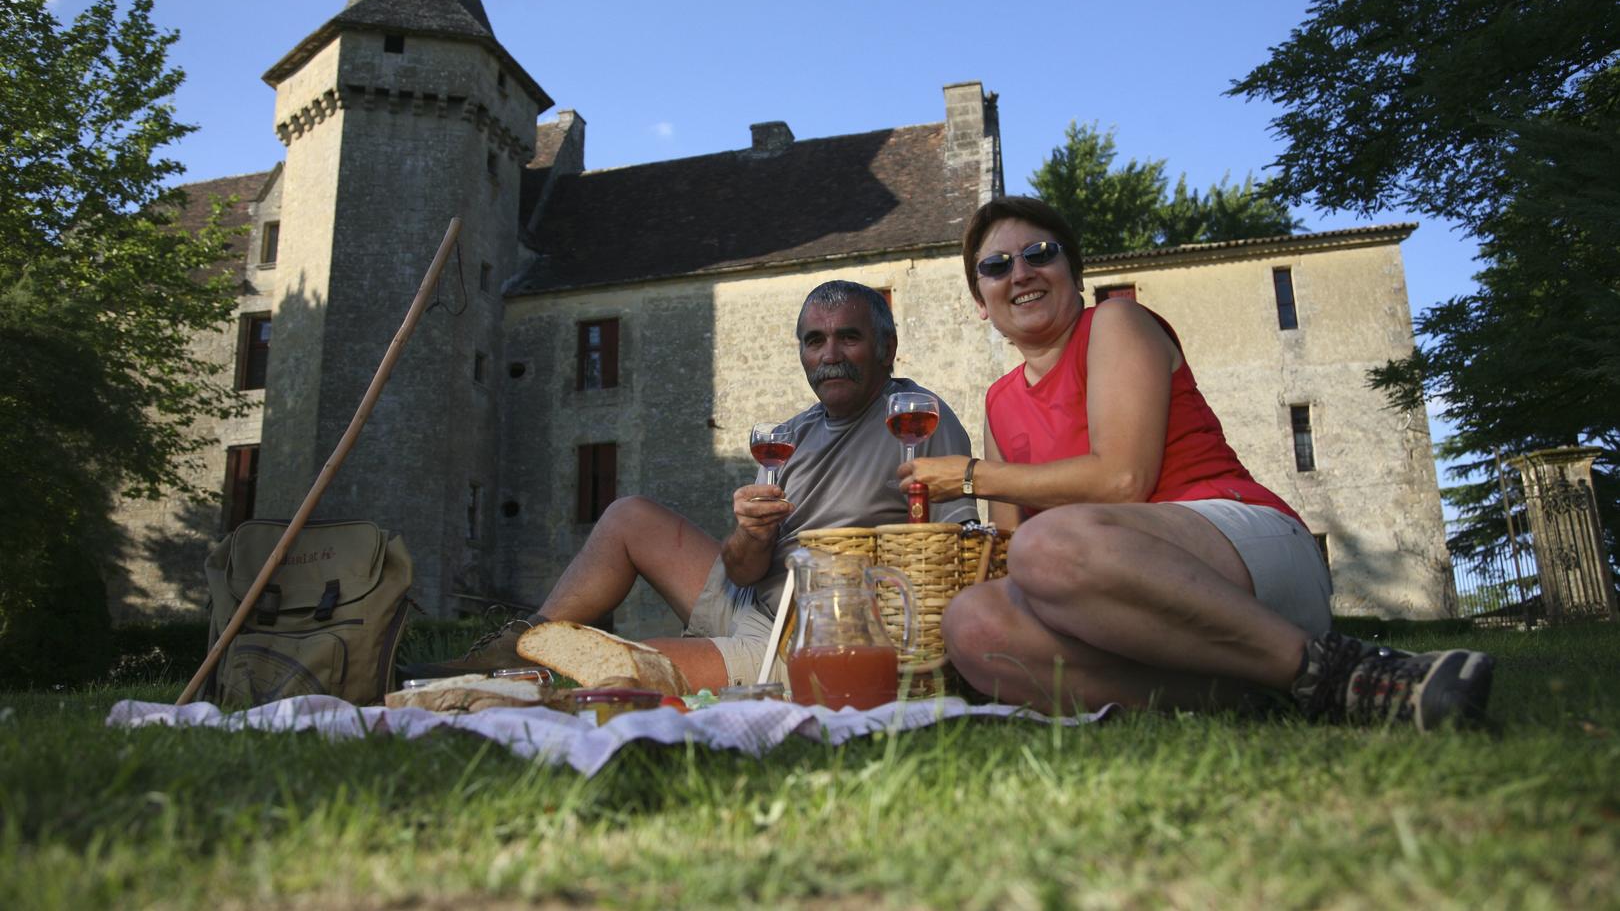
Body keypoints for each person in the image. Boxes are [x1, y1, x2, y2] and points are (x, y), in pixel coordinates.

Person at [900, 197, 1494, 730]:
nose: (1021, 272)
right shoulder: (999, 401)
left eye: (1039, 254)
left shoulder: (1113, 322)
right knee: (973, 623)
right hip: (1120, 604)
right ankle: (1245, 696)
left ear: (1074, 273)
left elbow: (1122, 479)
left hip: (1240, 547)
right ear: (980, 302)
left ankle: (1341, 670)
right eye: (996, 266)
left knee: (1047, 546)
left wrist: (971, 474)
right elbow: (1010, 546)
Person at [405, 280, 978, 690]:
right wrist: (748, 534)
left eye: (848, 338)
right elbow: (745, 569)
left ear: (885, 347)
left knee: (625, 664)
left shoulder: (915, 418)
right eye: (814, 341)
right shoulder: (791, 435)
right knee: (628, 514)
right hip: (754, 599)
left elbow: (953, 554)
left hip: (802, 633)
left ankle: (511, 683)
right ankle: (522, 642)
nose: (829, 355)